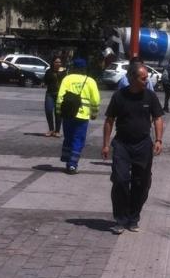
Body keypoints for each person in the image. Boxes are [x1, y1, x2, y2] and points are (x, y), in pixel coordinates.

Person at [102, 60, 164, 234]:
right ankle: (120, 219)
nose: (147, 81)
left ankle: (133, 217)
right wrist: (106, 144)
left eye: (147, 78)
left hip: (143, 144)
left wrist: (159, 139)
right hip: (122, 144)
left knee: (142, 183)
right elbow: (109, 120)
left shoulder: (150, 97)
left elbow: (158, 118)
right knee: (120, 180)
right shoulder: (119, 96)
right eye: (143, 78)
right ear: (132, 78)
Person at [56, 58, 100, 173]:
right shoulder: (90, 81)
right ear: (84, 69)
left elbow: (60, 97)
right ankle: (72, 164)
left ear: (74, 68)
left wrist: (59, 111)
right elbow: (95, 100)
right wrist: (94, 113)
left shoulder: (67, 79)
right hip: (82, 116)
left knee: (69, 137)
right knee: (78, 139)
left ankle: (66, 158)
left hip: (68, 114)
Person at [43, 55, 67, 136]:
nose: (58, 63)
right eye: (56, 62)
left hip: (60, 95)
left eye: (59, 62)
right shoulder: (49, 71)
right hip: (50, 93)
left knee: (58, 113)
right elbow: (45, 81)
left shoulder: (64, 71)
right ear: (53, 63)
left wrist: (60, 73)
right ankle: (51, 129)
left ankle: (57, 131)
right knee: (49, 110)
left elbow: (65, 82)